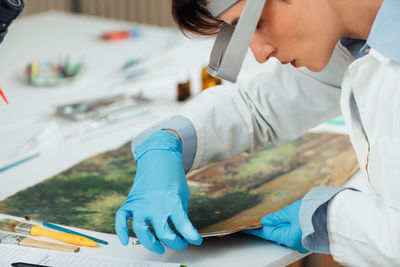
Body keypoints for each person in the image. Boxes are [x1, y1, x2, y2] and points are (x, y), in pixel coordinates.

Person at [115, 0, 400, 265]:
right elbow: (261, 106)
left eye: (257, 23)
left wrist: (332, 220)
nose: (261, 54)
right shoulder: (360, 42)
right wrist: (170, 140)